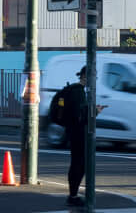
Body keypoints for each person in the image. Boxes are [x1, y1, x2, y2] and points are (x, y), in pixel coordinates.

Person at [52, 76, 89, 208]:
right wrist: (94, 112)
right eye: (94, 75)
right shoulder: (78, 92)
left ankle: (73, 195)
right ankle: (73, 196)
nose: (95, 78)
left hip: (73, 131)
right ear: (86, 76)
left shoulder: (74, 89)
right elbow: (80, 115)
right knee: (79, 164)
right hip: (78, 133)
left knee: (77, 163)